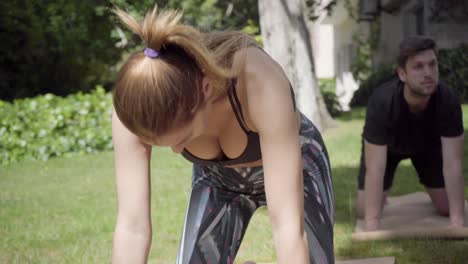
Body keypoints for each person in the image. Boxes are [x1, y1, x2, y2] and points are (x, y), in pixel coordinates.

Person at [110, 6, 334, 264]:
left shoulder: (258, 81)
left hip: (300, 169)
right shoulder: (133, 110)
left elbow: (287, 228)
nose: (176, 151)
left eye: (184, 139)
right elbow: (132, 227)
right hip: (217, 181)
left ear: (205, 89)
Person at [356, 36, 465, 231]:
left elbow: (453, 164)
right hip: (387, 150)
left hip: (427, 149)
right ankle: (382, 198)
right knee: (364, 209)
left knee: (446, 208)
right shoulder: (382, 101)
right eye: (418, 67)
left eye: (432, 65)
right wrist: (372, 225)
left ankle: (435, 196)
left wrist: (457, 222)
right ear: (402, 74)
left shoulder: (447, 100)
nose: (428, 73)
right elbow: (375, 168)